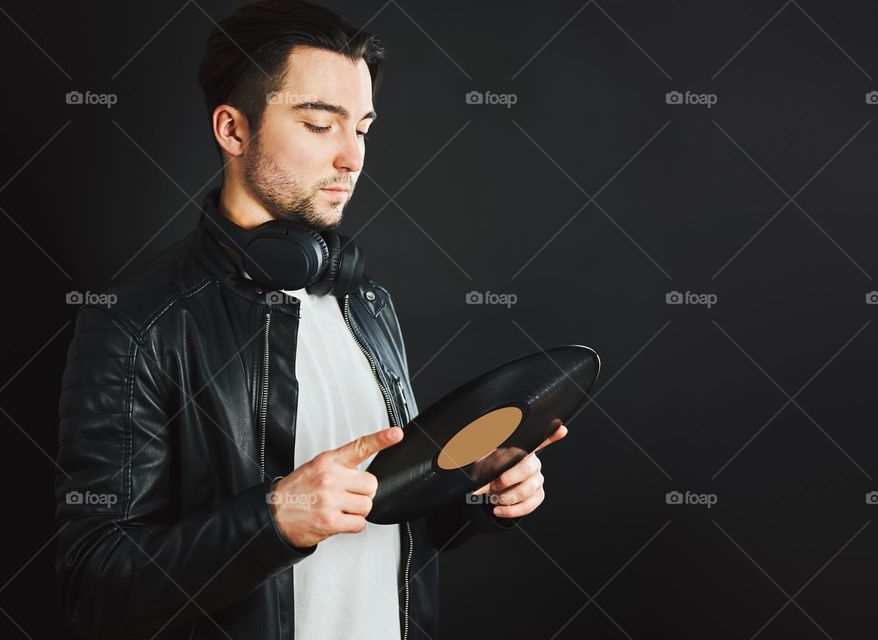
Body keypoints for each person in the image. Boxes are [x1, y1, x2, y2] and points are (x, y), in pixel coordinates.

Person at [53, 1, 566, 638]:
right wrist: (271, 521)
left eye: (363, 128)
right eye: (321, 125)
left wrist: (479, 497)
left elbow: (393, 516)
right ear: (233, 130)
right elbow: (94, 583)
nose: (352, 157)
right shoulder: (137, 324)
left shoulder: (366, 302)